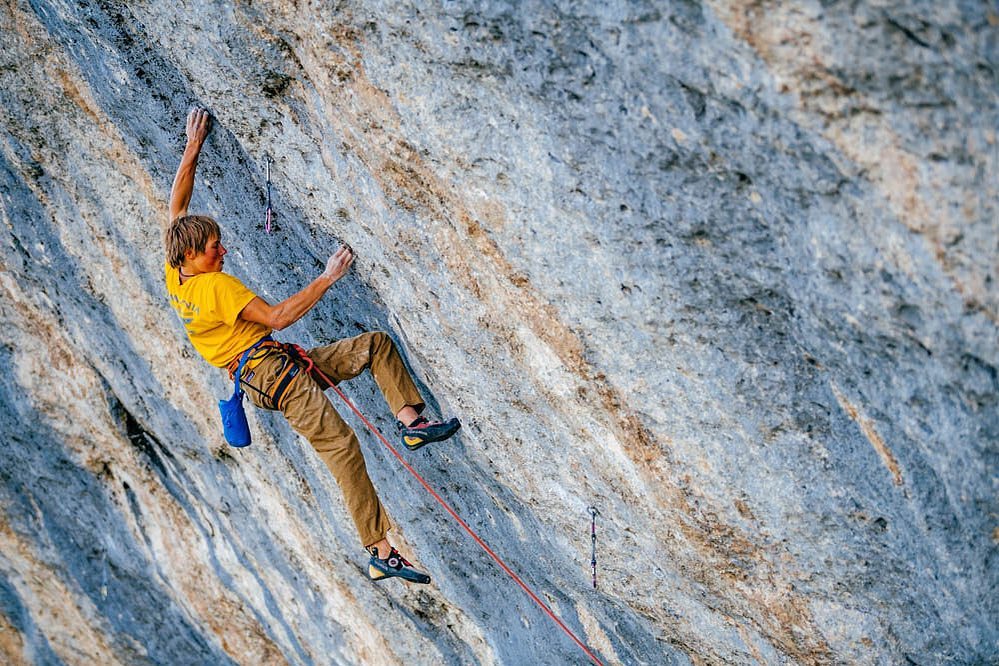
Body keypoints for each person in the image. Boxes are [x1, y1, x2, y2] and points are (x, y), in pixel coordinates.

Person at [163, 108, 460, 584]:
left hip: (271, 370)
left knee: (374, 346)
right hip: (276, 377)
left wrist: (193, 143)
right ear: (195, 254)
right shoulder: (215, 288)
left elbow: (176, 207)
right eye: (216, 247)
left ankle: (411, 424)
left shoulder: (176, 272)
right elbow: (279, 316)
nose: (225, 251)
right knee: (342, 446)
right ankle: (379, 551)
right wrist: (327, 277)